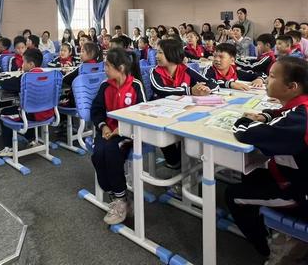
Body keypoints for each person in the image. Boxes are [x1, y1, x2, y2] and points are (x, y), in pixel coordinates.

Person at [226, 57, 308, 262]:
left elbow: (245, 132)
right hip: (294, 174)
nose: (266, 79)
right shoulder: (301, 109)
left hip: (301, 193)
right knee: (251, 175)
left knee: (231, 194)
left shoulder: (299, 120)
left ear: (291, 87)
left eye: (271, 76)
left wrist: (244, 120)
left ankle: (265, 247)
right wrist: (268, 116)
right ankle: (268, 225)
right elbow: (283, 116)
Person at [91, 48, 146, 225]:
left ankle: (120, 201)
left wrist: (121, 129)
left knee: (112, 152)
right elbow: (96, 110)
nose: (104, 68)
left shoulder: (136, 85)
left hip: (128, 133)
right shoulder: (105, 86)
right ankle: (117, 195)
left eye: (107, 65)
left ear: (120, 67)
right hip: (108, 131)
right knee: (98, 154)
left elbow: (142, 113)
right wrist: (104, 126)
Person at [150, 39, 218, 168]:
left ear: (172, 54)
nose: (156, 56)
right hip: (161, 113)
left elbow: (210, 82)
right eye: (157, 52)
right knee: (164, 137)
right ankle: (174, 162)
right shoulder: (155, 72)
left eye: (160, 53)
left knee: (192, 127)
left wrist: (206, 89)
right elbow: (160, 89)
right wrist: (189, 90)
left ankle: (187, 158)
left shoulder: (185, 70)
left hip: (183, 110)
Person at [0, 49, 46, 157]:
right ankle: (31, 140)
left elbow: (4, 84)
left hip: (32, 115)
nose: (22, 65)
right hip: (47, 113)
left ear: (31, 64)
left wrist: (11, 78)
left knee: (5, 112)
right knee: (25, 109)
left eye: (23, 62)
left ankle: (8, 147)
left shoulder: (26, 78)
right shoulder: (46, 75)